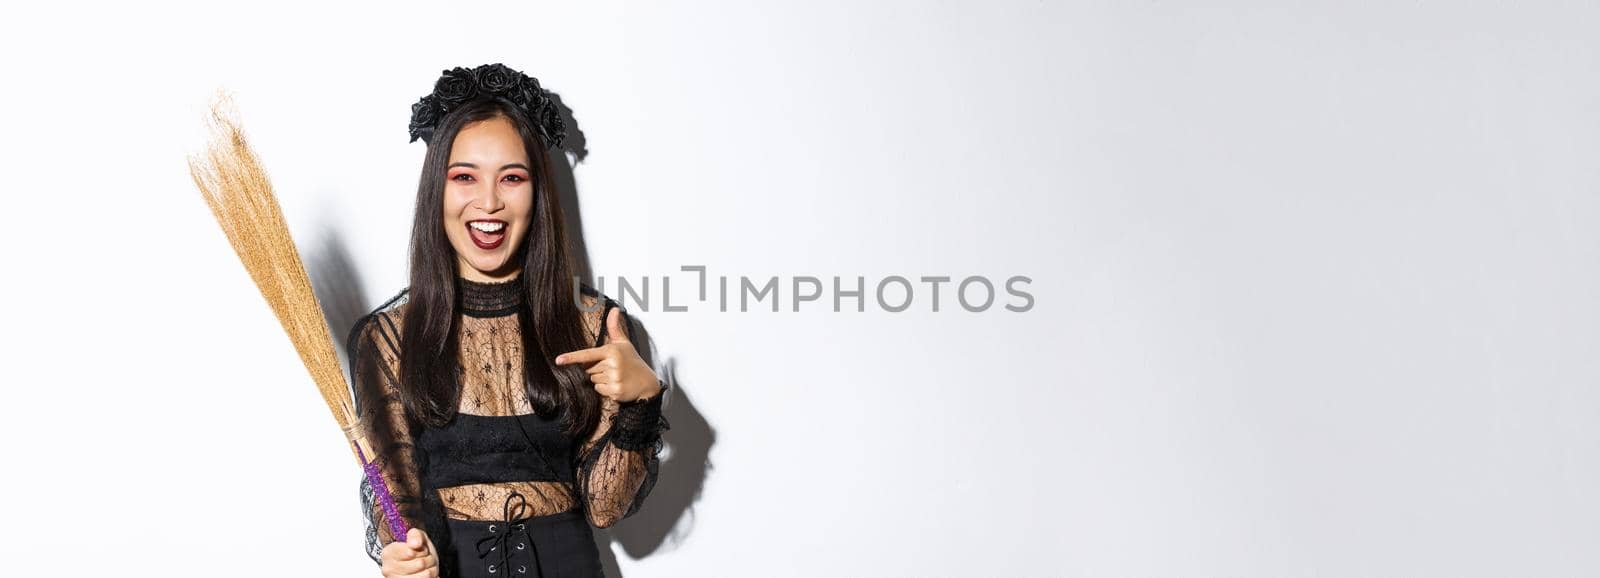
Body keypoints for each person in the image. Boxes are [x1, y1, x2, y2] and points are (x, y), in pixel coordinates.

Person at [347, 63, 669, 578]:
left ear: (537, 191)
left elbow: (606, 508)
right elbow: (397, 500)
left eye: (512, 178)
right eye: (465, 176)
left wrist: (641, 405)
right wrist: (403, 554)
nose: (489, 201)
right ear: (438, 190)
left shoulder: (595, 326)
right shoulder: (387, 338)